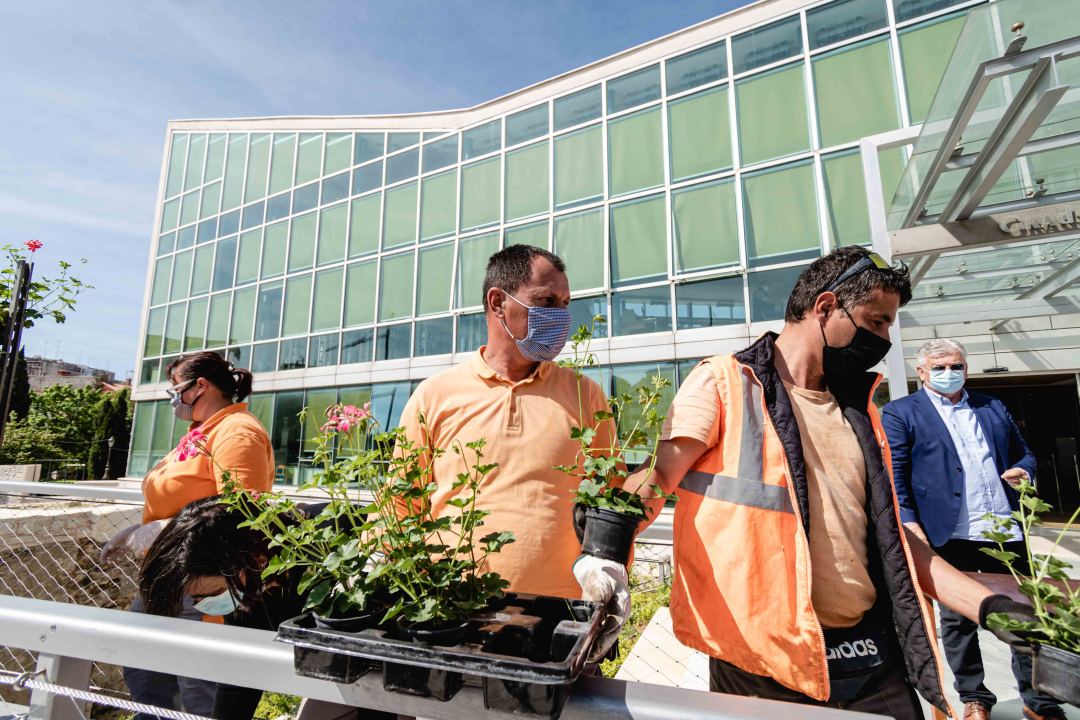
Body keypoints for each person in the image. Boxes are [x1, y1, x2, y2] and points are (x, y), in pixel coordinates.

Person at [608, 247, 1038, 719]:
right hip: (763, 661)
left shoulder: (859, 408)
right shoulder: (726, 383)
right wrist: (603, 553)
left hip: (868, 651)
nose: (885, 339)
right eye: (876, 322)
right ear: (826, 306)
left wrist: (991, 609)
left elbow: (896, 542)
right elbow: (657, 480)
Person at [397, 244, 626, 658]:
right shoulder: (435, 396)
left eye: (565, 303)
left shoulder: (585, 395)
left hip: (559, 623)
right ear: (498, 303)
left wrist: (609, 575)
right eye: (547, 301)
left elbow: (611, 501)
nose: (561, 315)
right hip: (450, 617)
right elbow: (400, 505)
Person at [882, 339, 1064, 720]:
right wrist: (909, 522)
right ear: (921, 372)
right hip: (947, 532)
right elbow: (894, 474)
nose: (950, 373)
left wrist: (1024, 471)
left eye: (957, 366)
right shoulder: (901, 412)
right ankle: (974, 698)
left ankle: (1039, 701)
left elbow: (1025, 454)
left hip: (1002, 528)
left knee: (1026, 615)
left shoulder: (991, 405)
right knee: (957, 620)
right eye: (940, 366)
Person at [100, 351, 274, 720]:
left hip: (203, 582)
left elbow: (243, 511)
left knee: (200, 686)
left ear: (200, 386)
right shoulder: (201, 433)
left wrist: (163, 529)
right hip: (167, 577)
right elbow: (185, 498)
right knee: (146, 673)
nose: (171, 397)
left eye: (175, 388)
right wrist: (143, 526)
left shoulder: (237, 432)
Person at [139, 497, 396, 720]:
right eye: (196, 599)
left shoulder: (331, 552)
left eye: (212, 594)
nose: (204, 606)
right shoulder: (244, 575)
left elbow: (378, 657)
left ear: (255, 557)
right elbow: (241, 671)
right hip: (346, 669)